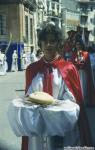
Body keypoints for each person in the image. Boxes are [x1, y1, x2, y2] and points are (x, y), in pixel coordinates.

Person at [21, 22, 92, 150]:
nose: (48, 44)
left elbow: (73, 100)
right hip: (39, 124)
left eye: (52, 41)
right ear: (40, 44)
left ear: (58, 44)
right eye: (45, 41)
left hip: (61, 125)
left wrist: (54, 108)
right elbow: (29, 95)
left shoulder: (68, 68)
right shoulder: (32, 69)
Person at [72, 42, 95, 106]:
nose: (78, 46)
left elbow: (87, 64)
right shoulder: (74, 54)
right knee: (78, 87)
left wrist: (83, 66)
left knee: (84, 86)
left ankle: (85, 101)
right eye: (77, 44)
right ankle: (79, 100)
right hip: (77, 73)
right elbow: (72, 63)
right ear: (75, 45)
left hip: (84, 73)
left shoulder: (86, 53)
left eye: (79, 44)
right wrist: (77, 66)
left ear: (82, 45)